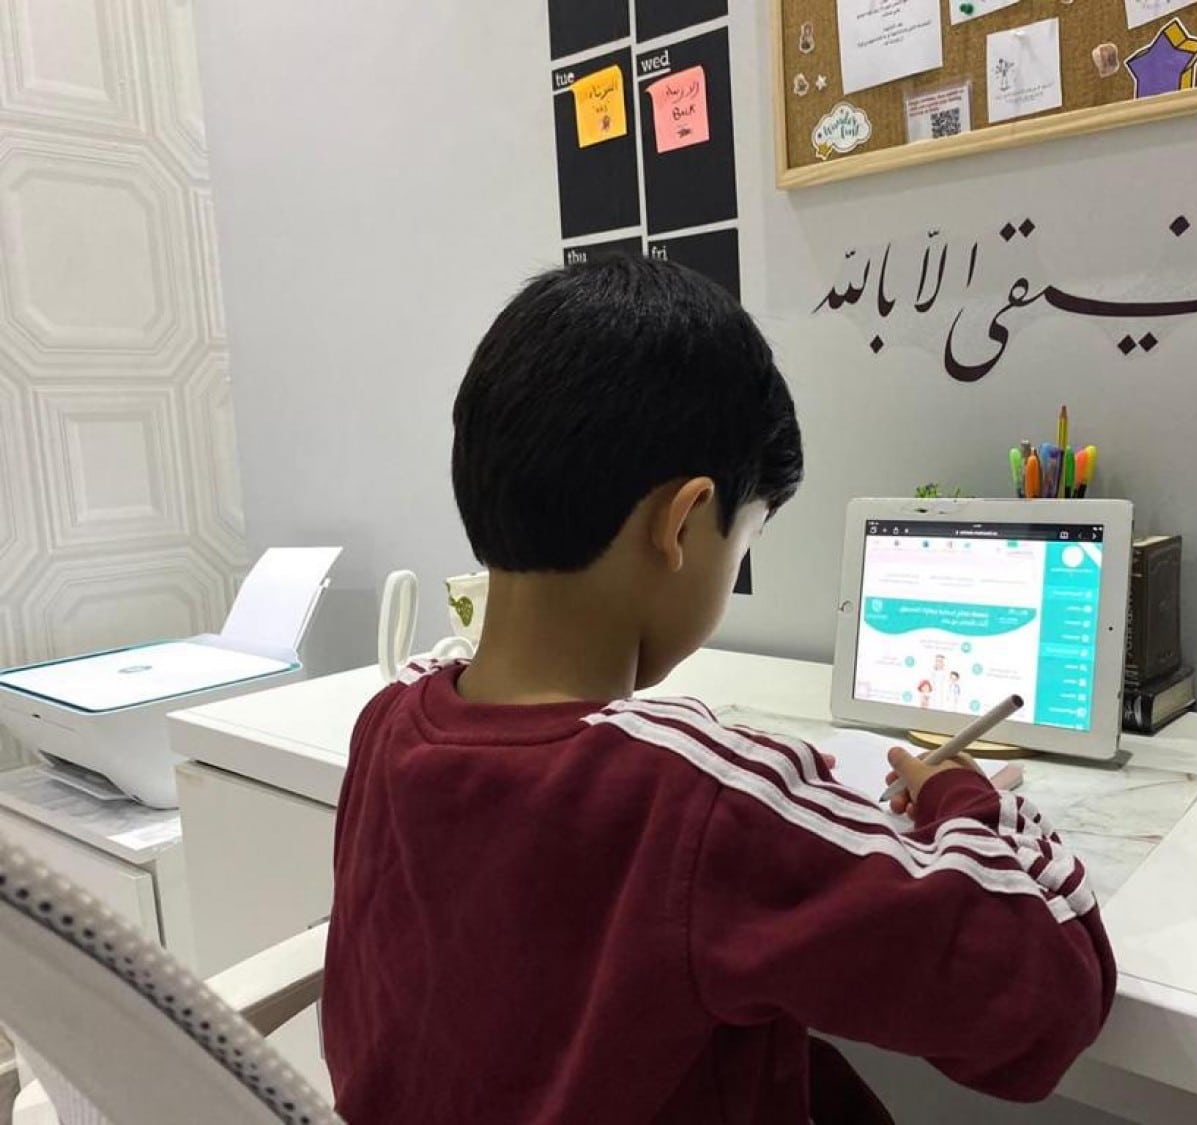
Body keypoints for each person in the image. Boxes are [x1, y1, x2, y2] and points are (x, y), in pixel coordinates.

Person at [321, 255, 1115, 1124]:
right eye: (746, 540)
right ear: (684, 522)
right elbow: (1049, 997)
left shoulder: (388, 721)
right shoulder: (693, 794)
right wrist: (964, 796)